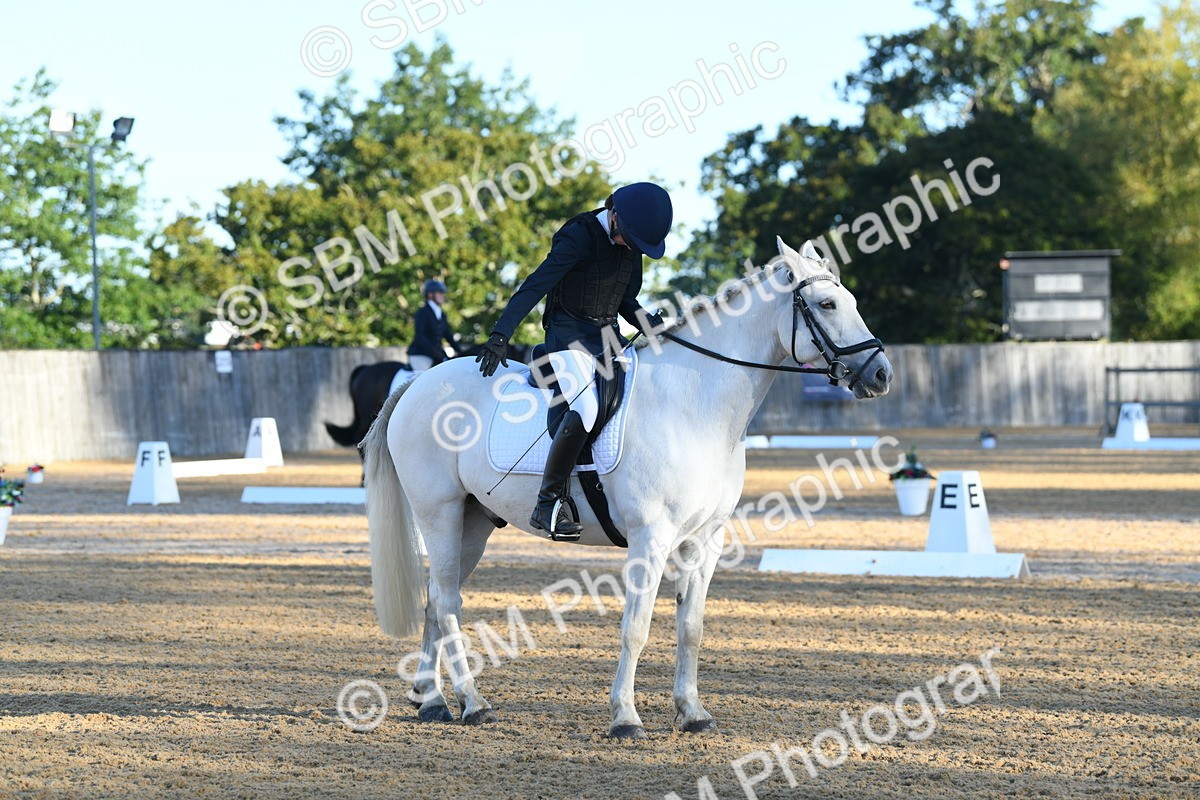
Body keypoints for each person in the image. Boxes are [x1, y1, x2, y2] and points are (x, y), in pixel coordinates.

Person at [476, 182, 672, 538]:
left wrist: (648, 321)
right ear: (614, 216)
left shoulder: (631, 240)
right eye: (629, 239)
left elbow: (624, 299)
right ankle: (547, 502)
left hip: (607, 336)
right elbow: (535, 285)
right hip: (567, 337)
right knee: (586, 407)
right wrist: (500, 334)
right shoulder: (578, 236)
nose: (631, 248)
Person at [408, 279, 460, 372]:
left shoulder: (441, 314)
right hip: (421, 354)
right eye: (439, 293)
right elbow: (420, 336)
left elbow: (448, 335)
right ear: (430, 295)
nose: (442, 296)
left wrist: (460, 352)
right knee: (424, 380)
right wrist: (434, 350)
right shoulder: (423, 312)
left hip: (437, 355)